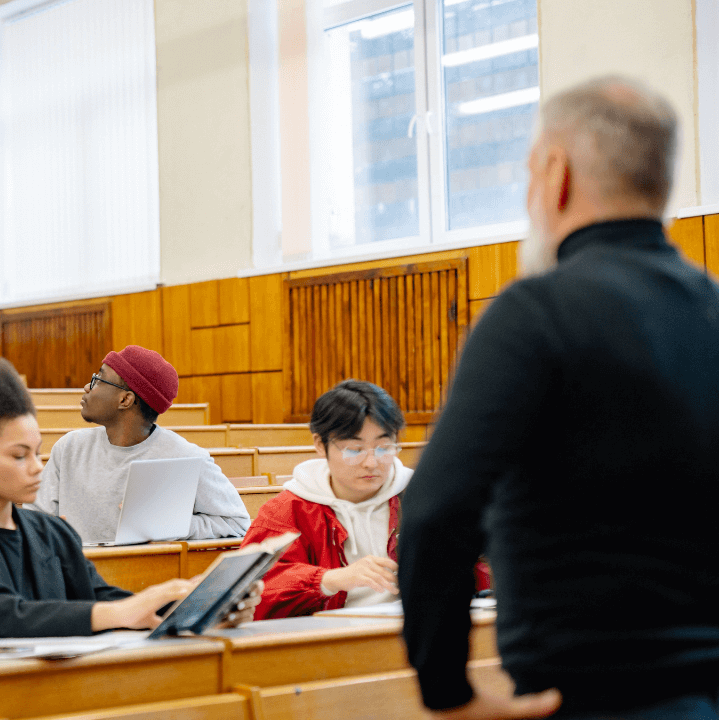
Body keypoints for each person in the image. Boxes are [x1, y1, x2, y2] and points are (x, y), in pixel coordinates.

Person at [398, 77, 719, 720]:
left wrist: (447, 693)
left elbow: (435, 512)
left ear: (557, 172)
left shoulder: (536, 312)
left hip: (586, 697)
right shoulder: (712, 309)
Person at [0, 359, 260, 651]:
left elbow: (104, 598)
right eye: (19, 456)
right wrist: (125, 609)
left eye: (37, 453)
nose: (37, 467)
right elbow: (5, 616)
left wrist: (203, 608)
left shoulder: (51, 532)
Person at [26, 345, 249, 542]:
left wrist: (172, 526)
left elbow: (238, 522)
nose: (87, 387)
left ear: (125, 400)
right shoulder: (69, 448)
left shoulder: (187, 457)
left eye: (98, 380)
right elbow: (34, 521)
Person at [239, 380, 410, 618]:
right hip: (325, 643)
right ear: (320, 445)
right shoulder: (287, 511)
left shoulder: (418, 498)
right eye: (354, 450)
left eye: (384, 447)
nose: (371, 462)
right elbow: (251, 593)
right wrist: (329, 580)